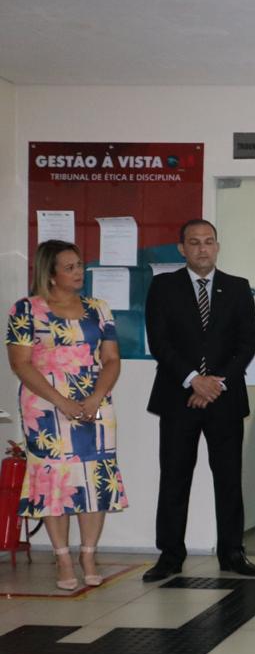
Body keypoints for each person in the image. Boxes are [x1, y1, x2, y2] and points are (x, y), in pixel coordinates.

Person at [5, 240, 127, 590]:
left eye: (79, 265)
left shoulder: (98, 308)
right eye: (70, 267)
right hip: (46, 408)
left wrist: (95, 397)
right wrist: (61, 401)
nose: (79, 272)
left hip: (94, 403)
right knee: (53, 481)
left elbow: (111, 359)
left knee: (94, 478)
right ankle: (61, 558)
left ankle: (88, 555)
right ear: (51, 273)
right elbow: (21, 364)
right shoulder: (26, 309)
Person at [142, 220, 255, 582]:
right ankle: (170, 555)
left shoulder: (237, 288)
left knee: (229, 479)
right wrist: (194, 380)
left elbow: (247, 343)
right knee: (174, 477)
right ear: (182, 249)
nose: (202, 248)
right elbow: (160, 342)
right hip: (178, 398)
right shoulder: (164, 286)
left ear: (217, 246)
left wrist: (214, 384)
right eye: (194, 242)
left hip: (225, 399)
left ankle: (232, 552)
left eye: (209, 241)